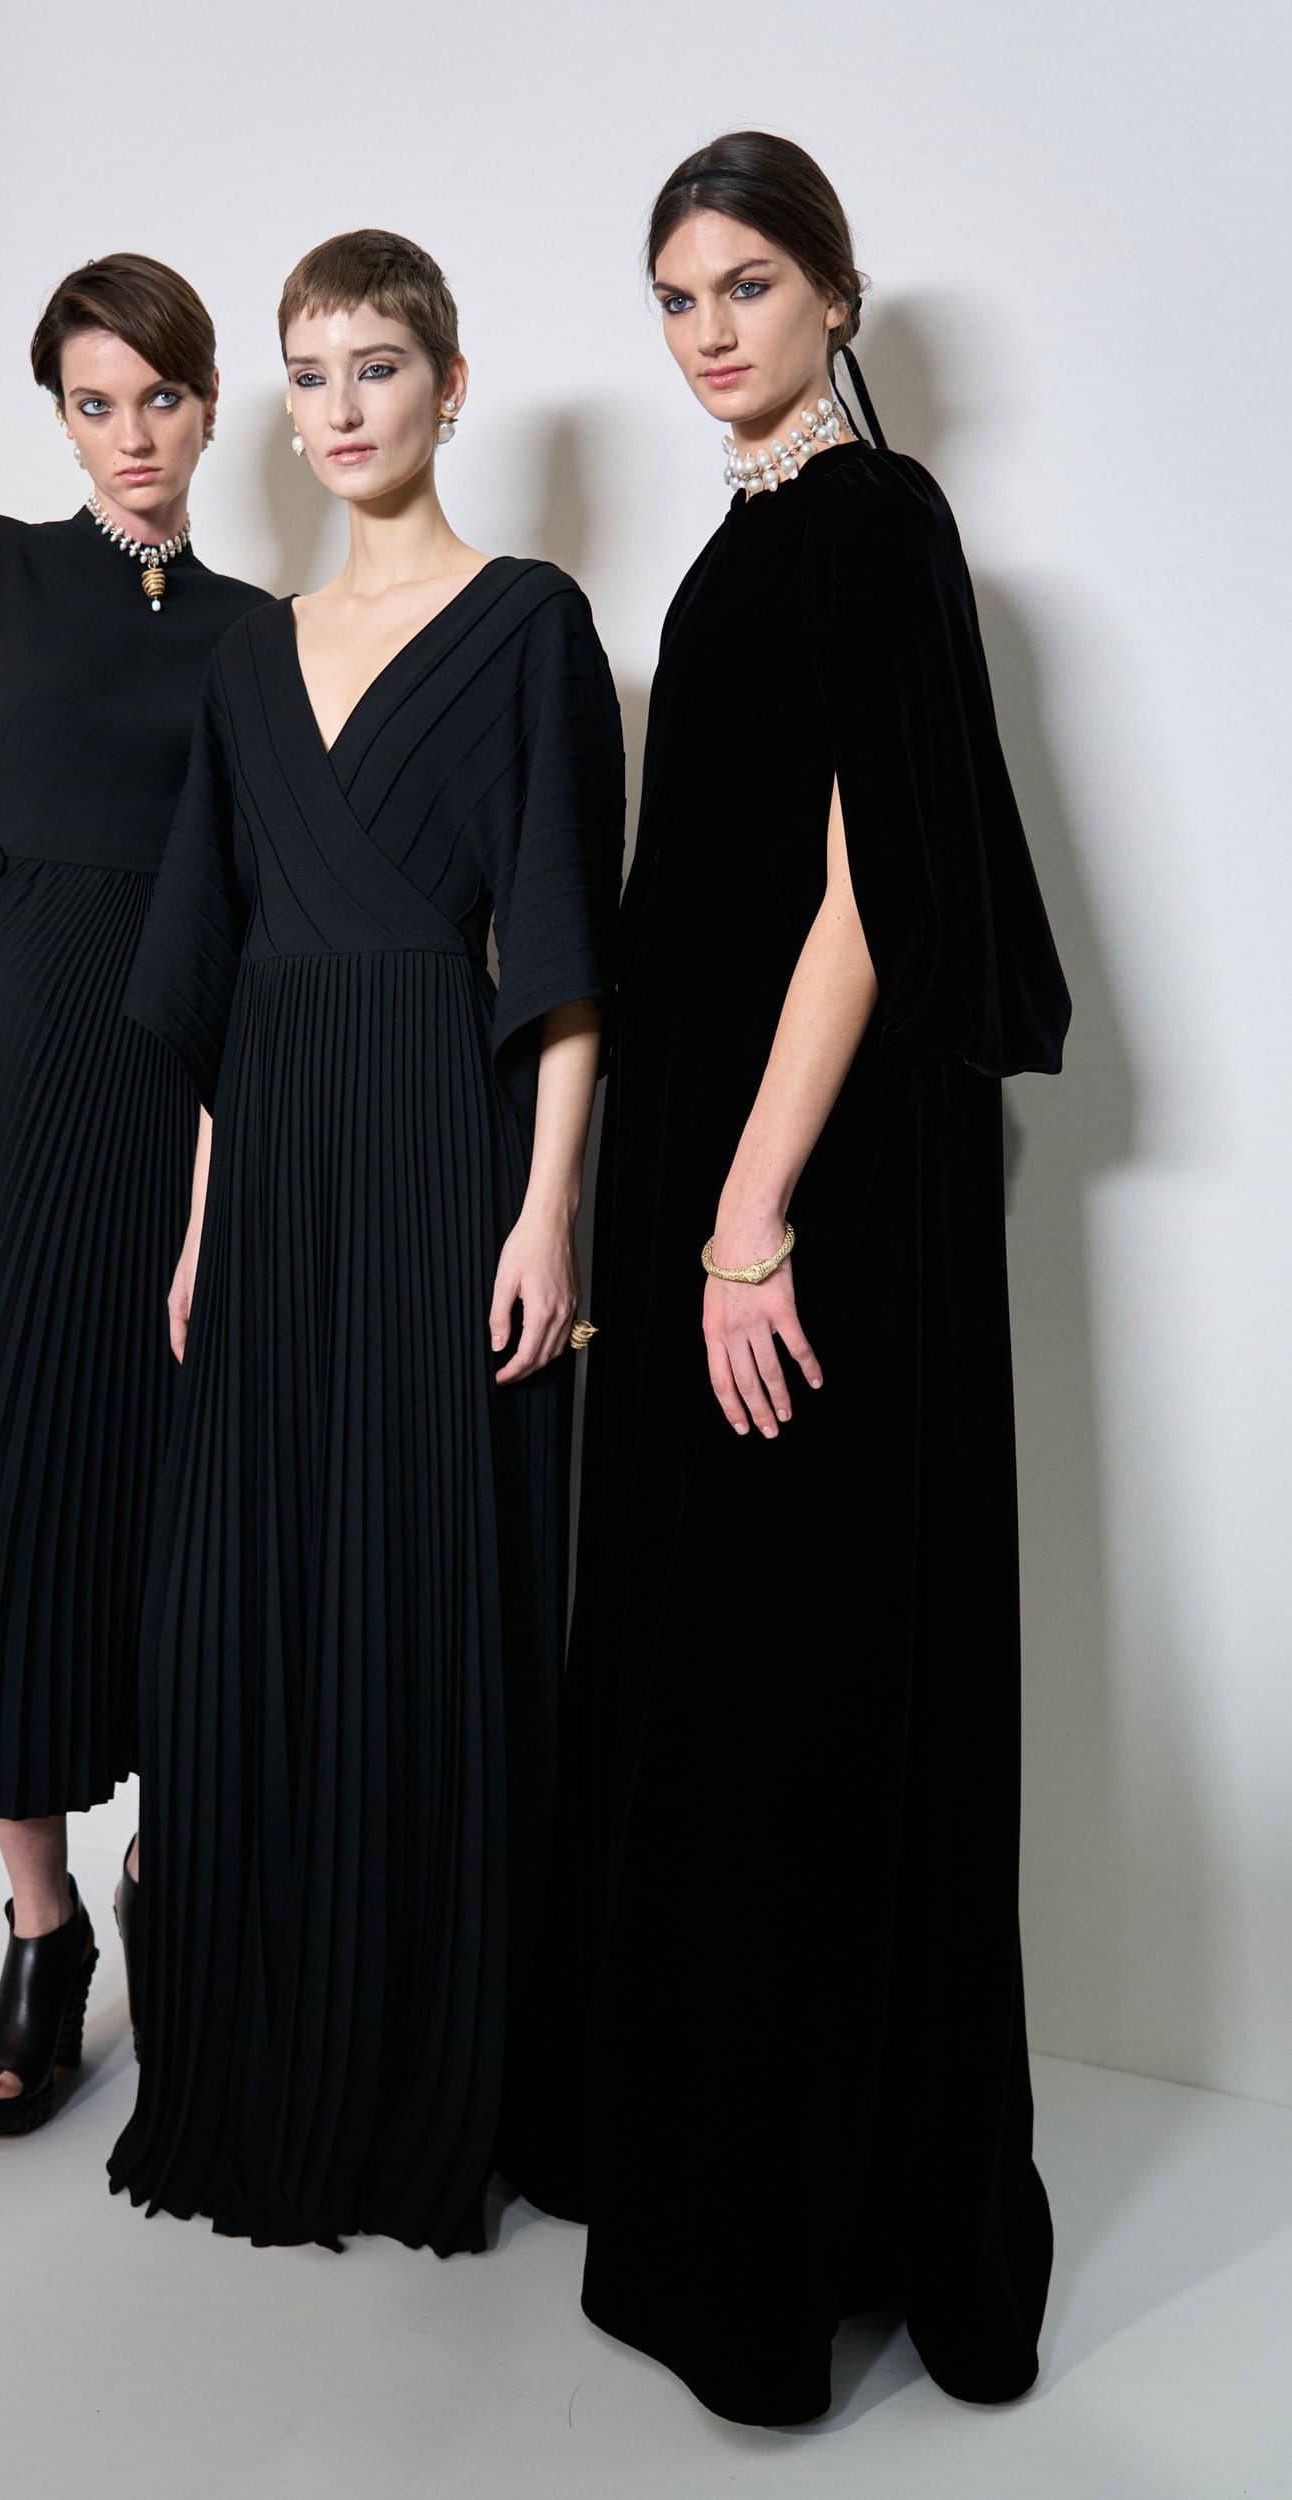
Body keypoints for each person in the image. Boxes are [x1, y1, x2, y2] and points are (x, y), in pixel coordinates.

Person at [504, 133, 1069, 2422]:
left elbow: (864, 897)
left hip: (811, 1191)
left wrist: (747, 1216)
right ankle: (722, 2170)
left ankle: (803, 2233)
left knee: (800, 1697)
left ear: (837, 292)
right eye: (674, 295)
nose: (707, 331)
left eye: (746, 282)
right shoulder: (739, 548)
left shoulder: (877, 519)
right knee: (723, 1683)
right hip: (715, 1174)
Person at [108, 229, 624, 2253]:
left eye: (377, 367)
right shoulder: (248, 659)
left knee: (430, 1583)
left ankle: (430, 2066)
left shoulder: (531, 624)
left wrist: (547, 1212)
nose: (339, 409)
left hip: (444, 1141)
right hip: (276, 1162)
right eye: (309, 374)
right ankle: (264, 2042)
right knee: (249, 1589)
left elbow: (564, 949)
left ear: (451, 385)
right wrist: (200, 1225)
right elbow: (216, 971)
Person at [0, 253, 269, 2137]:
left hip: (201, 1105)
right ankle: (43, 1933)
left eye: (161, 399)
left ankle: (175, 1885)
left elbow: (260, 904)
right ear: (60, 414)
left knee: (191, 1495)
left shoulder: (260, 631)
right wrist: (30, 1024)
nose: (130, 437)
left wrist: (201, 1109)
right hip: (38, 1100)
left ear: (211, 406)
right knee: (18, 1486)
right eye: (95, 403)